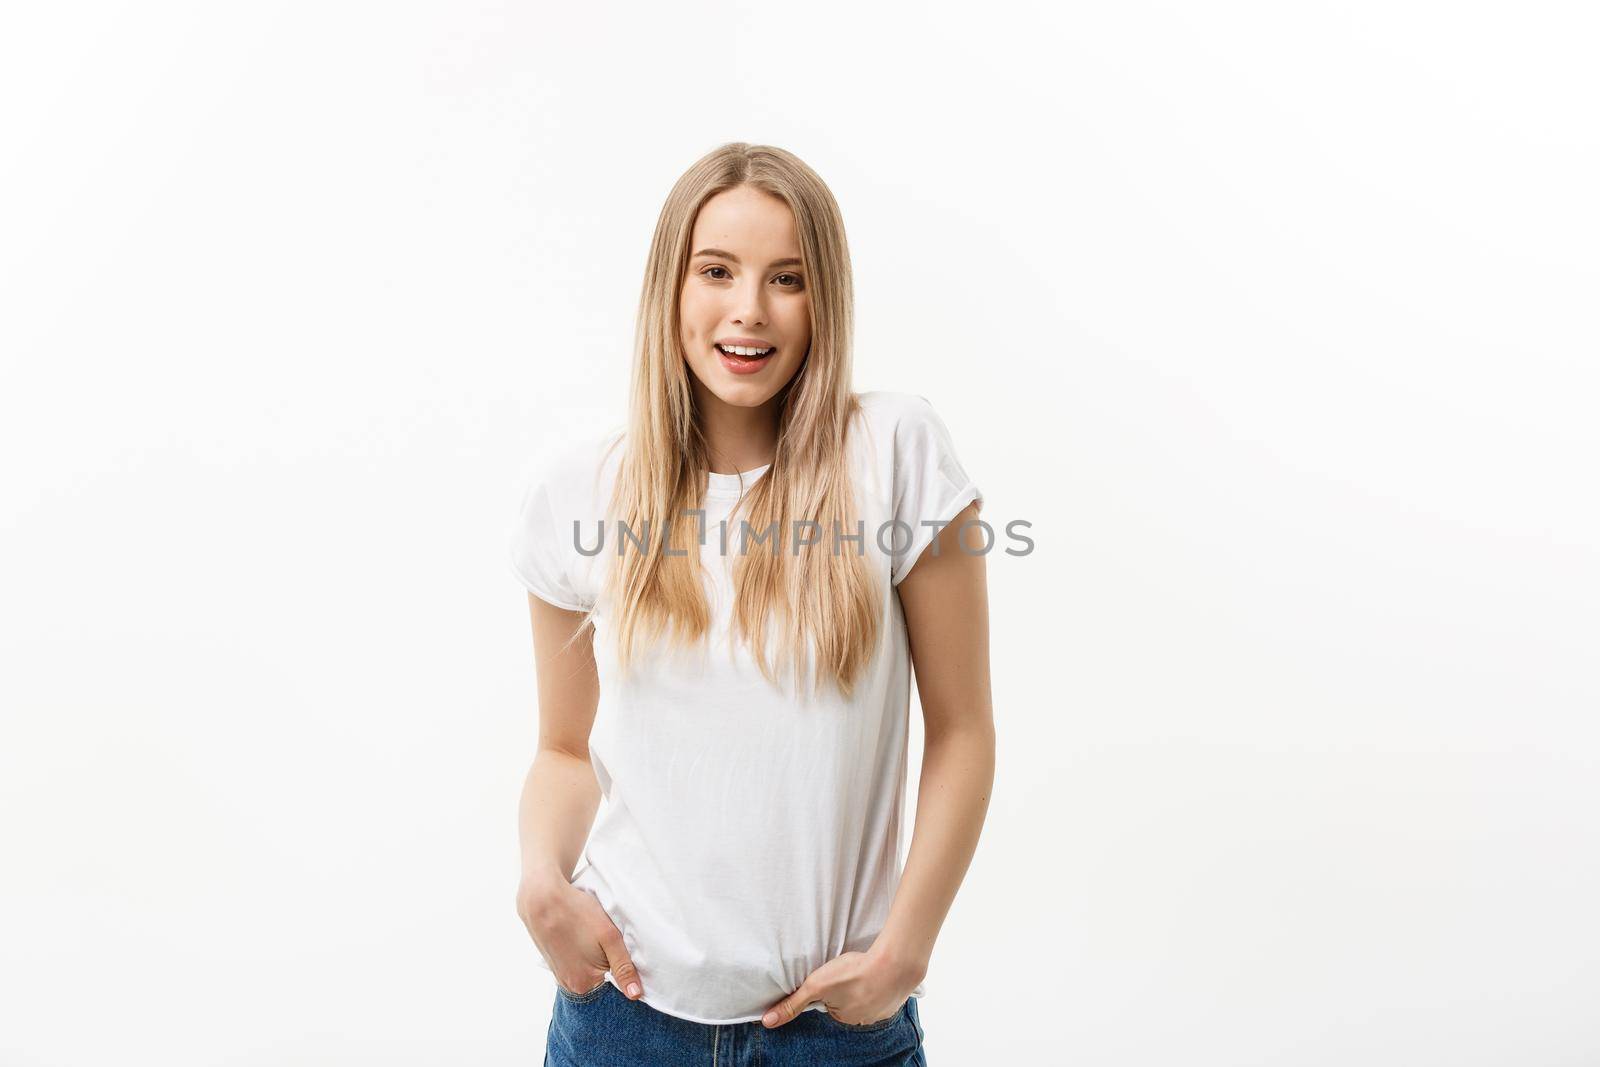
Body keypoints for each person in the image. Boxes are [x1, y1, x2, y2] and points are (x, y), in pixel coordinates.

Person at [509, 142, 994, 1067]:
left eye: (788, 279)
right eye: (717, 271)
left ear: (825, 303)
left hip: (835, 1035)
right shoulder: (579, 490)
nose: (749, 311)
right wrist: (540, 879)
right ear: (672, 287)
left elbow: (964, 729)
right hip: (622, 1019)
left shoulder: (895, 454)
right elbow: (564, 749)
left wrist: (903, 952)